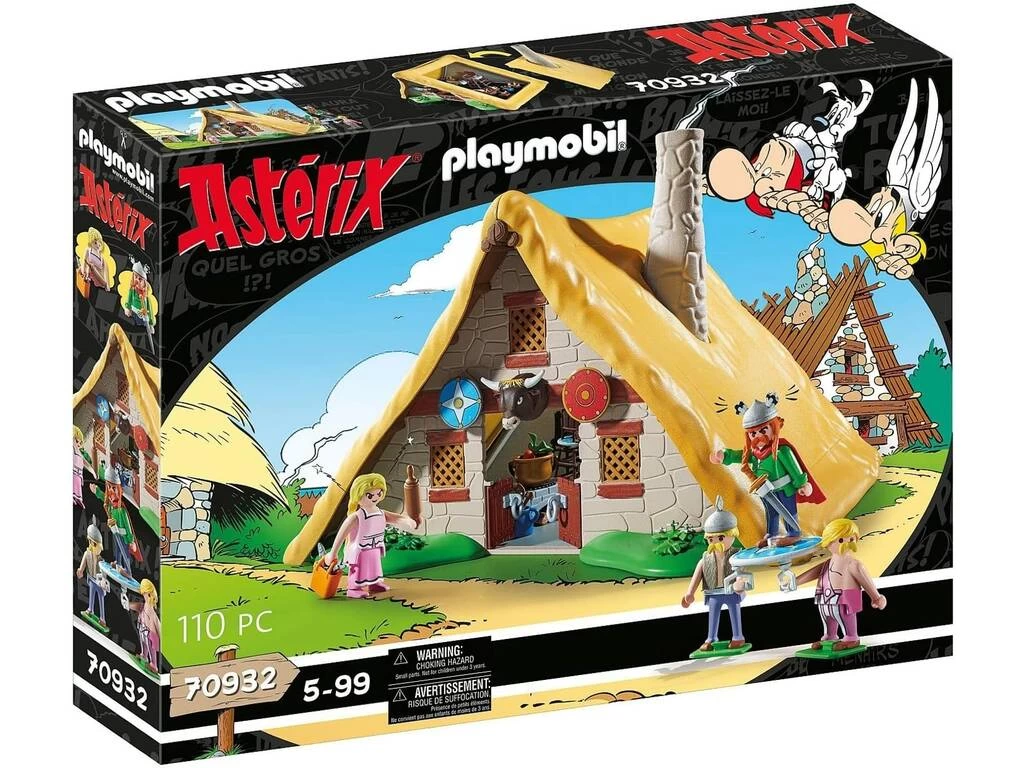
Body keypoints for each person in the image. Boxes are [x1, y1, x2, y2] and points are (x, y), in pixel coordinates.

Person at [710, 393, 825, 547]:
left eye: (763, 431)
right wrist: (725, 455)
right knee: (771, 513)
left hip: (784, 488)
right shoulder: (755, 454)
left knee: (788, 510)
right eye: (753, 433)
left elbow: (794, 467)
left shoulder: (781, 451)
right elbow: (739, 456)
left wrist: (802, 483)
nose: (758, 436)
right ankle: (772, 534)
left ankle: (794, 533)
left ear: (773, 427)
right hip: (765, 490)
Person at [795, 519, 886, 651]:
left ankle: (851, 638)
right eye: (841, 540)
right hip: (825, 597)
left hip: (845, 599)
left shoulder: (854, 564)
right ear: (828, 542)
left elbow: (865, 581)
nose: (847, 543)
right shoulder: (828, 563)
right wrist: (796, 581)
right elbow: (813, 573)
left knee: (845, 617)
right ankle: (829, 637)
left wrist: (876, 597)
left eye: (851, 539)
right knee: (827, 617)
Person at [324, 474, 418, 598]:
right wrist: (333, 552)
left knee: (374, 567)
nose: (375, 497)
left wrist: (408, 521)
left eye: (378, 493)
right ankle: (353, 588)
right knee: (359, 570)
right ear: (358, 496)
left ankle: (374, 584)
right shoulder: (356, 516)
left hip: (375, 547)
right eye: (370, 495)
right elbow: (342, 534)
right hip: (360, 549)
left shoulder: (380, 512)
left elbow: (396, 518)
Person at [681, 497, 749, 653]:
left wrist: (740, 583)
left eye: (720, 538)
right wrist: (690, 593)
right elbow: (697, 575)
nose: (715, 542)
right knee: (713, 615)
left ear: (732, 535)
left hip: (731, 592)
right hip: (713, 593)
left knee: (734, 612)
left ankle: (738, 636)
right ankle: (711, 638)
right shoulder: (705, 559)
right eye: (711, 539)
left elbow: (741, 572)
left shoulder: (737, 556)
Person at [76, 518, 108, 628]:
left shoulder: (101, 560)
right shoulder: (87, 553)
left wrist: (103, 582)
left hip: (99, 583)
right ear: (90, 541)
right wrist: (80, 571)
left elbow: (104, 573)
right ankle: (90, 609)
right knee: (91, 595)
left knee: (101, 599)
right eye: (95, 544)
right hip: (91, 579)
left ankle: (102, 618)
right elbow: (83, 565)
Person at [137, 579, 161, 673]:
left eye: (145, 594)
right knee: (143, 642)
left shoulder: (150, 608)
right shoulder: (146, 605)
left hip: (149, 632)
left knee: (150, 646)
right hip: (143, 628)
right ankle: (144, 655)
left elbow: (155, 622)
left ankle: (154, 665)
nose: (144, 595)